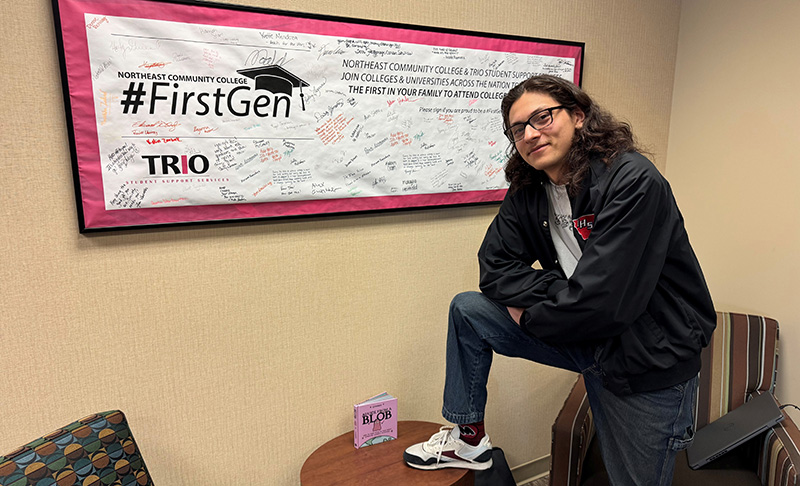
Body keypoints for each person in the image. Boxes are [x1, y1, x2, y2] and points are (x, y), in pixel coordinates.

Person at [403, 75, 716, 485]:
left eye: (542, 118)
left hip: (645, 358)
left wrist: (532, 318)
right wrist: (563, 292)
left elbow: (605, 303)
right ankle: (469, 439)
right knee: (469, 309)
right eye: (518, 129)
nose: (531, 134)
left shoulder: (634, 181)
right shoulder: (530, 189)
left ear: (579, 116)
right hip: (580, 334)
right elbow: (494, 268)